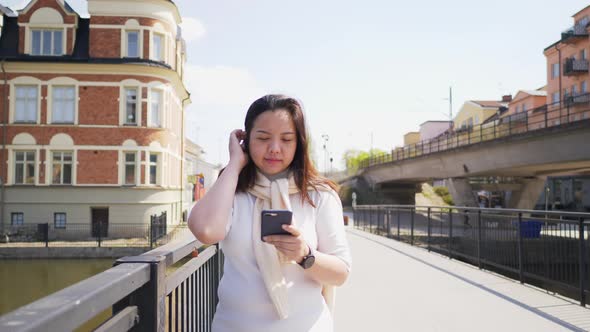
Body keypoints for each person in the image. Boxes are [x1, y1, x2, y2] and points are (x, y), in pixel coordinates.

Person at [188, 94, 351, 332]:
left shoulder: (319, 195)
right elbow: (206, 231)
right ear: (246, 140)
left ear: (299, 144)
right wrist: (234, 164)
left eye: (286, 139)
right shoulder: (232, 191)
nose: (274, 149)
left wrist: (304, 254)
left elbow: (341, 273)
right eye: (263, 138)